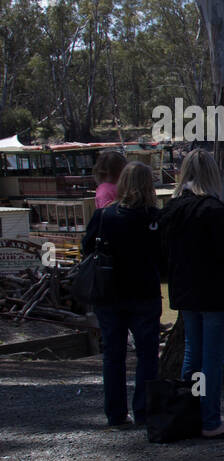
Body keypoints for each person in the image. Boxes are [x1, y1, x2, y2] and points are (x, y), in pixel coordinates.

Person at [160, 150, 224, 438]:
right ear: (212, 174)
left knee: (192, 354)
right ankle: (211, 421)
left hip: (185, 292)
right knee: (212, 360)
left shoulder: (171, 208)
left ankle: (190, 412)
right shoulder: (212, 208)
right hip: (215, 293)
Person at [82, 161, 161, 429]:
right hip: (145, 293)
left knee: (113, 355)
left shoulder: (105, 215)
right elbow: (165, 257)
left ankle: (116, 414)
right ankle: (144, 410)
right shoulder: (154, 218)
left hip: (109, 293)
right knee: (147, 355)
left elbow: (86, 247)